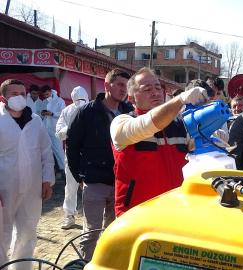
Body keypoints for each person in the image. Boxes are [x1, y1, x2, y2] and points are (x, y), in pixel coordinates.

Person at [110, 68, 210, 217]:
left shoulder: (179, 124)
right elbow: (148, 124)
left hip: (175, 210)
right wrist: (181, 99)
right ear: (131, 98)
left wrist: (207, 118)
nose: (156, 92)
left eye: (158, 88)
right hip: (135, 214)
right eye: (147, 89)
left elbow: (208, 144)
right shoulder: (122, 122)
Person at [66, 69, 133, 260]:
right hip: (95, 180)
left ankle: (107, 263)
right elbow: (72, 146)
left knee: (114, 231)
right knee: (91, 232)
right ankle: (86, 264)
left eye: (126, 86)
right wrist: (79, 175)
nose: (124, 89)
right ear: (107, 85)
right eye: (120, 84)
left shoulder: (129, 113)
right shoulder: (87, 112)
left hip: (121, 183)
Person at [0, 79, 54, 270]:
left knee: (28, 232)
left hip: (32, 188)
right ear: (3, 98)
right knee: (1, 234)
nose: (20, 98)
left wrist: (47, 180)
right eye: (14, 94)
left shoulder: (36, 121)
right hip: (4, 187)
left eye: (22, 94)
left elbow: (46, 151)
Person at [55, 86, 89, 230]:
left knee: (92, 188)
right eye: (78, 99)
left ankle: (90, 218)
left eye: (83, 99)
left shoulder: (94, 109)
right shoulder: (67, 111)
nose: (80, 102)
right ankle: (69, 215)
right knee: (71, 186)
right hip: (72, 154)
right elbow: (58, 133)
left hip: (90, 155)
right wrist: (72, 128)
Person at [40, 85, 66, 174]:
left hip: (55, 129)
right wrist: (43, 114)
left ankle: (64, 170)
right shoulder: (43, 102)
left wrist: (52, 114)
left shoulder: (59, 101)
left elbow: (63, 114)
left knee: (58, 150)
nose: (46, 96)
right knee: (46, 150)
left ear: (51, 91)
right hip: (46, 128)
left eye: (47, 94)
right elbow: (39, 113)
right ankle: (51, 170)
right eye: (44, 95)